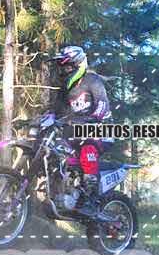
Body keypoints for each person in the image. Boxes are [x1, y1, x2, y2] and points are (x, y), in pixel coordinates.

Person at [47, 45, 113, 218]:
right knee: (56, 152)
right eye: (61, 67)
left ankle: (91, 200)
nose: (63, 70)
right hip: (76, 133)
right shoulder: (65, 90)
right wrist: (41, 120)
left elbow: (102, 105)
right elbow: (55, 112)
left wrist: (92, 118)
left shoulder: (92, 80)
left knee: (87, 148)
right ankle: (64, 193)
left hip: (101, 130)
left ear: (77, 65)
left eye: (67, 66)